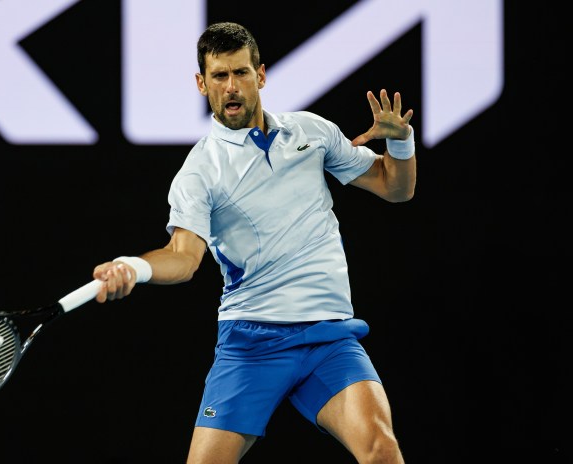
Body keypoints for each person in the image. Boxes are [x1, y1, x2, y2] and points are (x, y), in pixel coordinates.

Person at [93, 22, 415, 463]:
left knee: (382, 451)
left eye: (241, 73)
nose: (232, 87)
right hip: (251, 342)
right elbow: (183, 258)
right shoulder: (200, 171)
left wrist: (401, 144)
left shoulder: (311, 132)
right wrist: (135, 266)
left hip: (329, 337)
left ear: (260, 75)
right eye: (220, 76)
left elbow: (395, 188)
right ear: (201, 83)